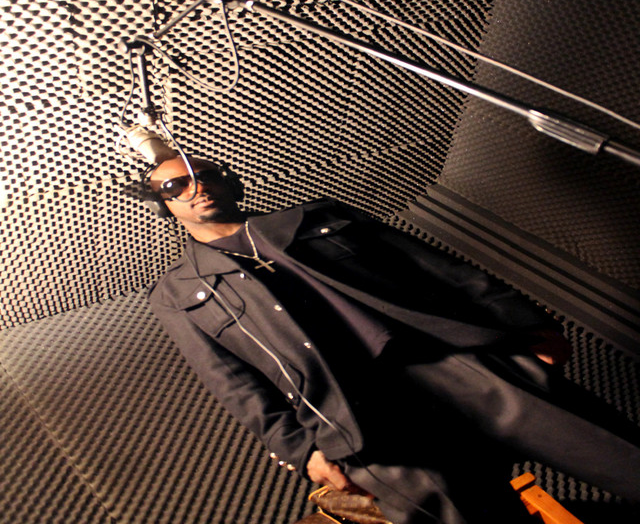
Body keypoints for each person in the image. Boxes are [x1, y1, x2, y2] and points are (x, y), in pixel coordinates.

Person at [146, 155, 640, 524]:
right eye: (176, 184)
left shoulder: (318, 215)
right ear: (165, 204)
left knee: (616, 453)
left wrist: (530, 324)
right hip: (357, 419)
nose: (196, 186)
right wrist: (302, 452)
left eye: (204, 173)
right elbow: (234, 386)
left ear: (229, 181)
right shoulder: (176, 293)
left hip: (452, 362)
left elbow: (442, 271)